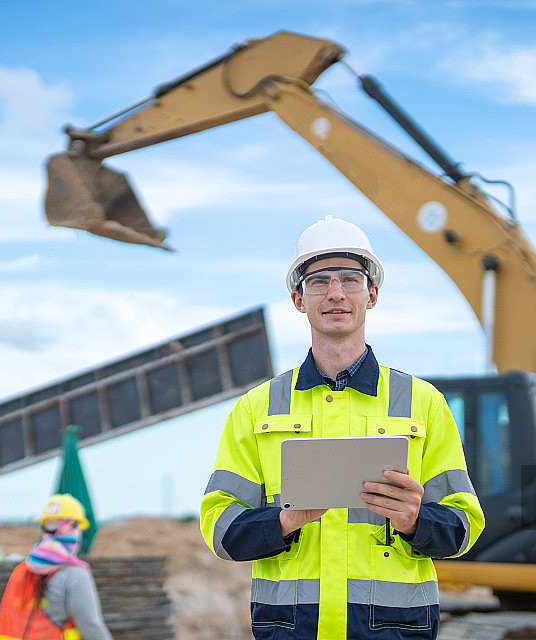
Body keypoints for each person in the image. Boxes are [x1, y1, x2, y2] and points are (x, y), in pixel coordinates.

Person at [200, 215, 485, 640]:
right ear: (299, 298)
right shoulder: (256, 408)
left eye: (350, 279)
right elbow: (221, 530)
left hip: (394, 630)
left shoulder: (423, 404)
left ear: (371, 294)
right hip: (292, 630)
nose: (336, 293)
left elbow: (462, 527)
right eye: (319, 281)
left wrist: (413, 520)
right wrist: (285, 519)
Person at [0, 493, 113, 640]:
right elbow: (91, 627)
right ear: (68, 527)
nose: (79, 534)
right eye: (78, 528)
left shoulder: (22, 570)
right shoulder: (75, 574)